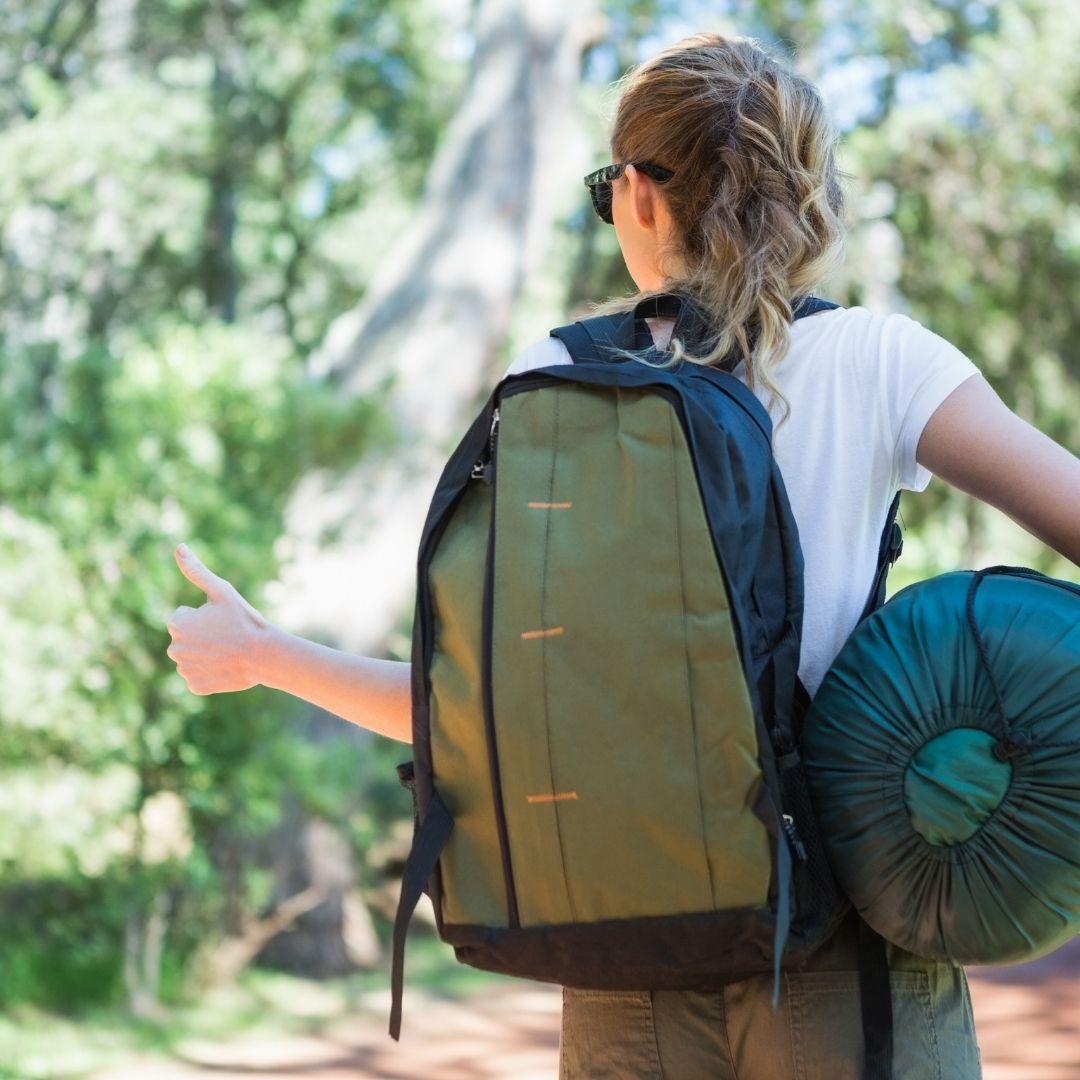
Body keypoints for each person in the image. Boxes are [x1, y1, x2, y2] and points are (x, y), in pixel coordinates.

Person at [167, 31, 1080, 1080]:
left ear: (641, 196)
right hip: (842, 956)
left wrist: (261, 651)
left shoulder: (556, 380)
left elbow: (485, 723)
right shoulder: (883, 362)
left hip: (625, 956)